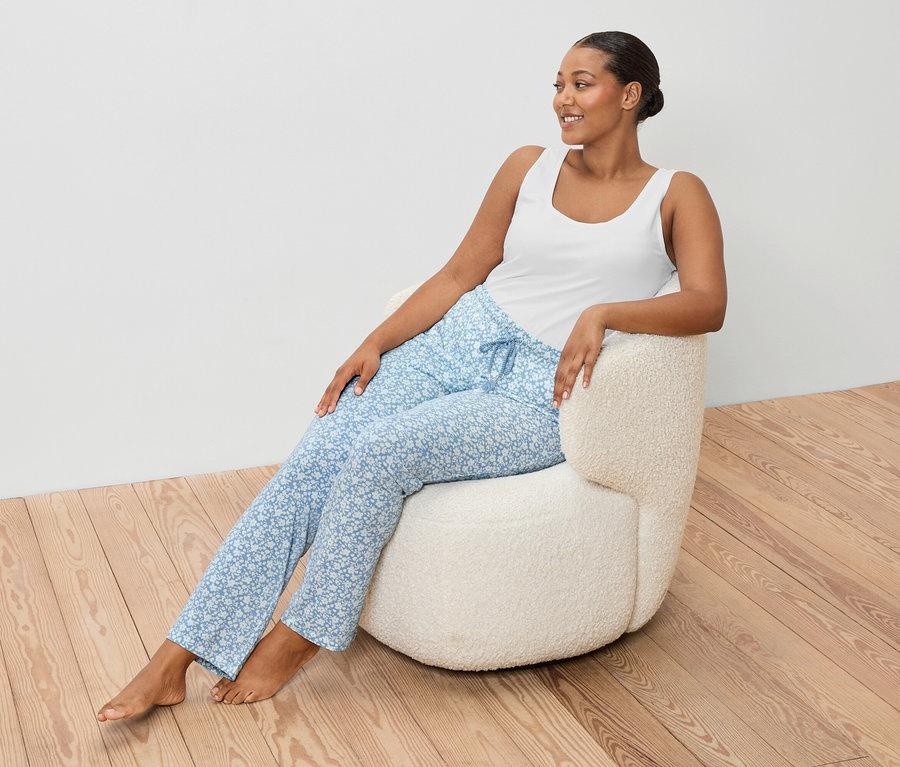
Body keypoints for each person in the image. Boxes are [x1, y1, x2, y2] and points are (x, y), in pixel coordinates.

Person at [97, 30, 726, 721]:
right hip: (458, 339)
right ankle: (175, 656)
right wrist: (373, 342)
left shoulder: (676, 192)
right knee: (316, 455)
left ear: (630, 94)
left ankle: (301, 634)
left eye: (582, 83)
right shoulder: (528, 167)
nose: (563, 100)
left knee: (381, 453)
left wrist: (604, 312)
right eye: (557, 84)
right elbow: (462, 273)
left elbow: (708, 302)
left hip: (542, 387)